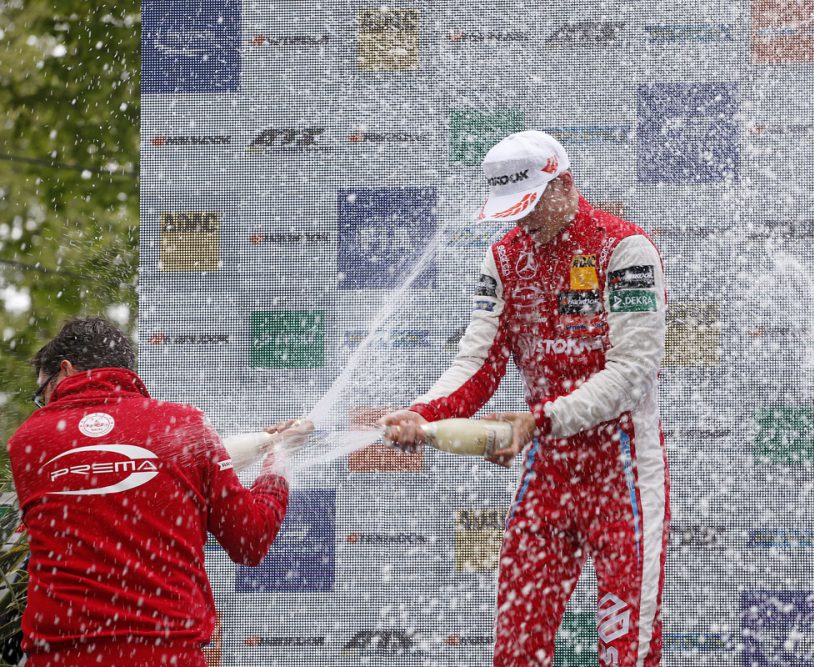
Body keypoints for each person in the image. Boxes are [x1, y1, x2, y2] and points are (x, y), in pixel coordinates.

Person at [382, 130, 668, 667]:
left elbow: (632, 374)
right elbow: (477, 364)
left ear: (565, 183)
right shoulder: (504, 258)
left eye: (532, 205)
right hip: (549, 476)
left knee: (626, 654)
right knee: (516, 650)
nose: (523, 221)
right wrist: (423, 412)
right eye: (513, 210)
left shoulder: (625, 249)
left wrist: (541, 418)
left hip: (625, 476)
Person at [6, 318, 312, 666]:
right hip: (167, 654)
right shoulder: (183, 426)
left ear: (66, 369)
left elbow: (105, 484)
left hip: (60, 657)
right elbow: (249, 539)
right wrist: (277, 462)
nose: (43, 404)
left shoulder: (28, 442)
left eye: (41, 392)